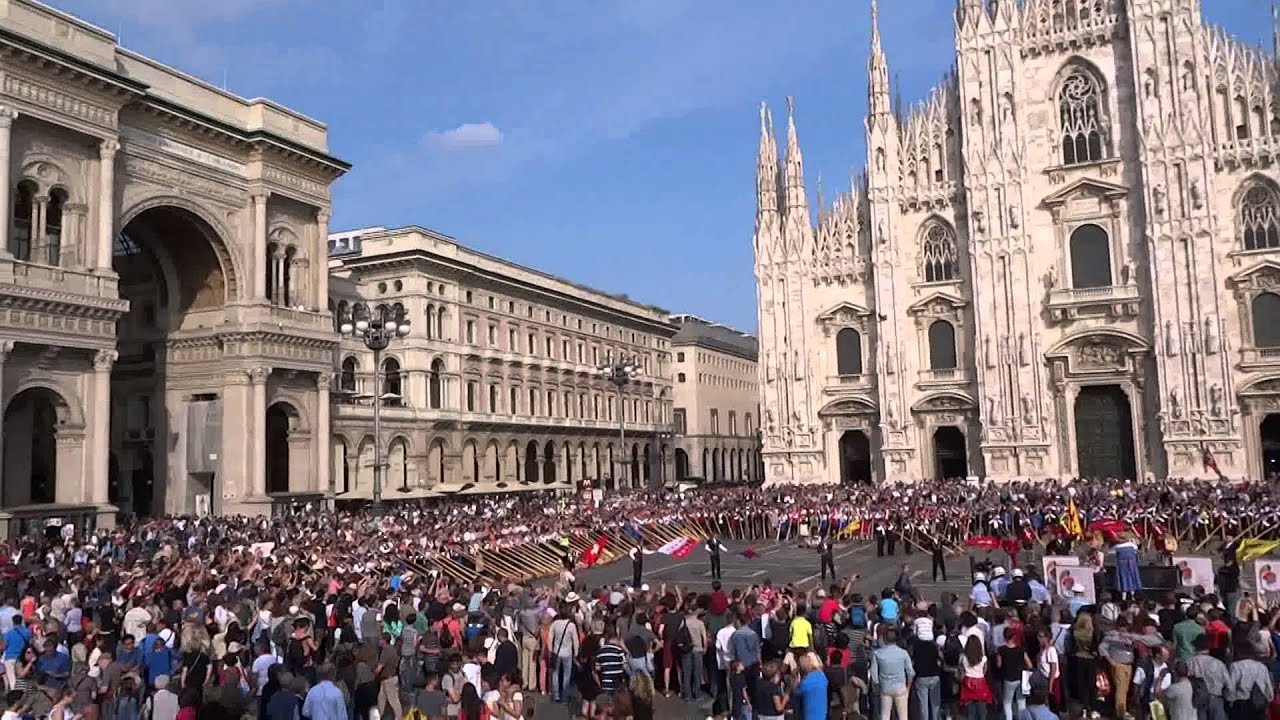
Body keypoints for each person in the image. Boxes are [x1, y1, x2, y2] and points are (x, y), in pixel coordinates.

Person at [870, 627, 914, 720]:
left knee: (885, 716)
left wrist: (876, 688)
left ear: (885, 639)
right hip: (900, 688)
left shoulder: (878, 653)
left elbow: (874, 675)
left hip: (885, 688)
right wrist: (908, 687)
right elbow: (910, 672)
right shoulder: (903, 653)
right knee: (903, 716)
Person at [793, 652, 829, 720]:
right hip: (822, 714)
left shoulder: (804, 683)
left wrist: (796, 679)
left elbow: (795, 694)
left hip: (809, 715)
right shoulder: (822, 677)